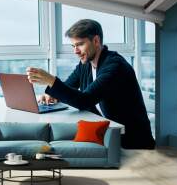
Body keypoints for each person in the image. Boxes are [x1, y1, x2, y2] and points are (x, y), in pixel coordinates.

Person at [26, 19, 155, 149]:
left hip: (131, 142)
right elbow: (69, 87)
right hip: (108, 135)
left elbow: (85, 100)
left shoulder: (115, 66)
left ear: (96, 41)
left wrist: (51, 81)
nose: (75, 51)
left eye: (80, 44)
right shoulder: (86, 64)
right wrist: (51, 95)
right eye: (73, 46)